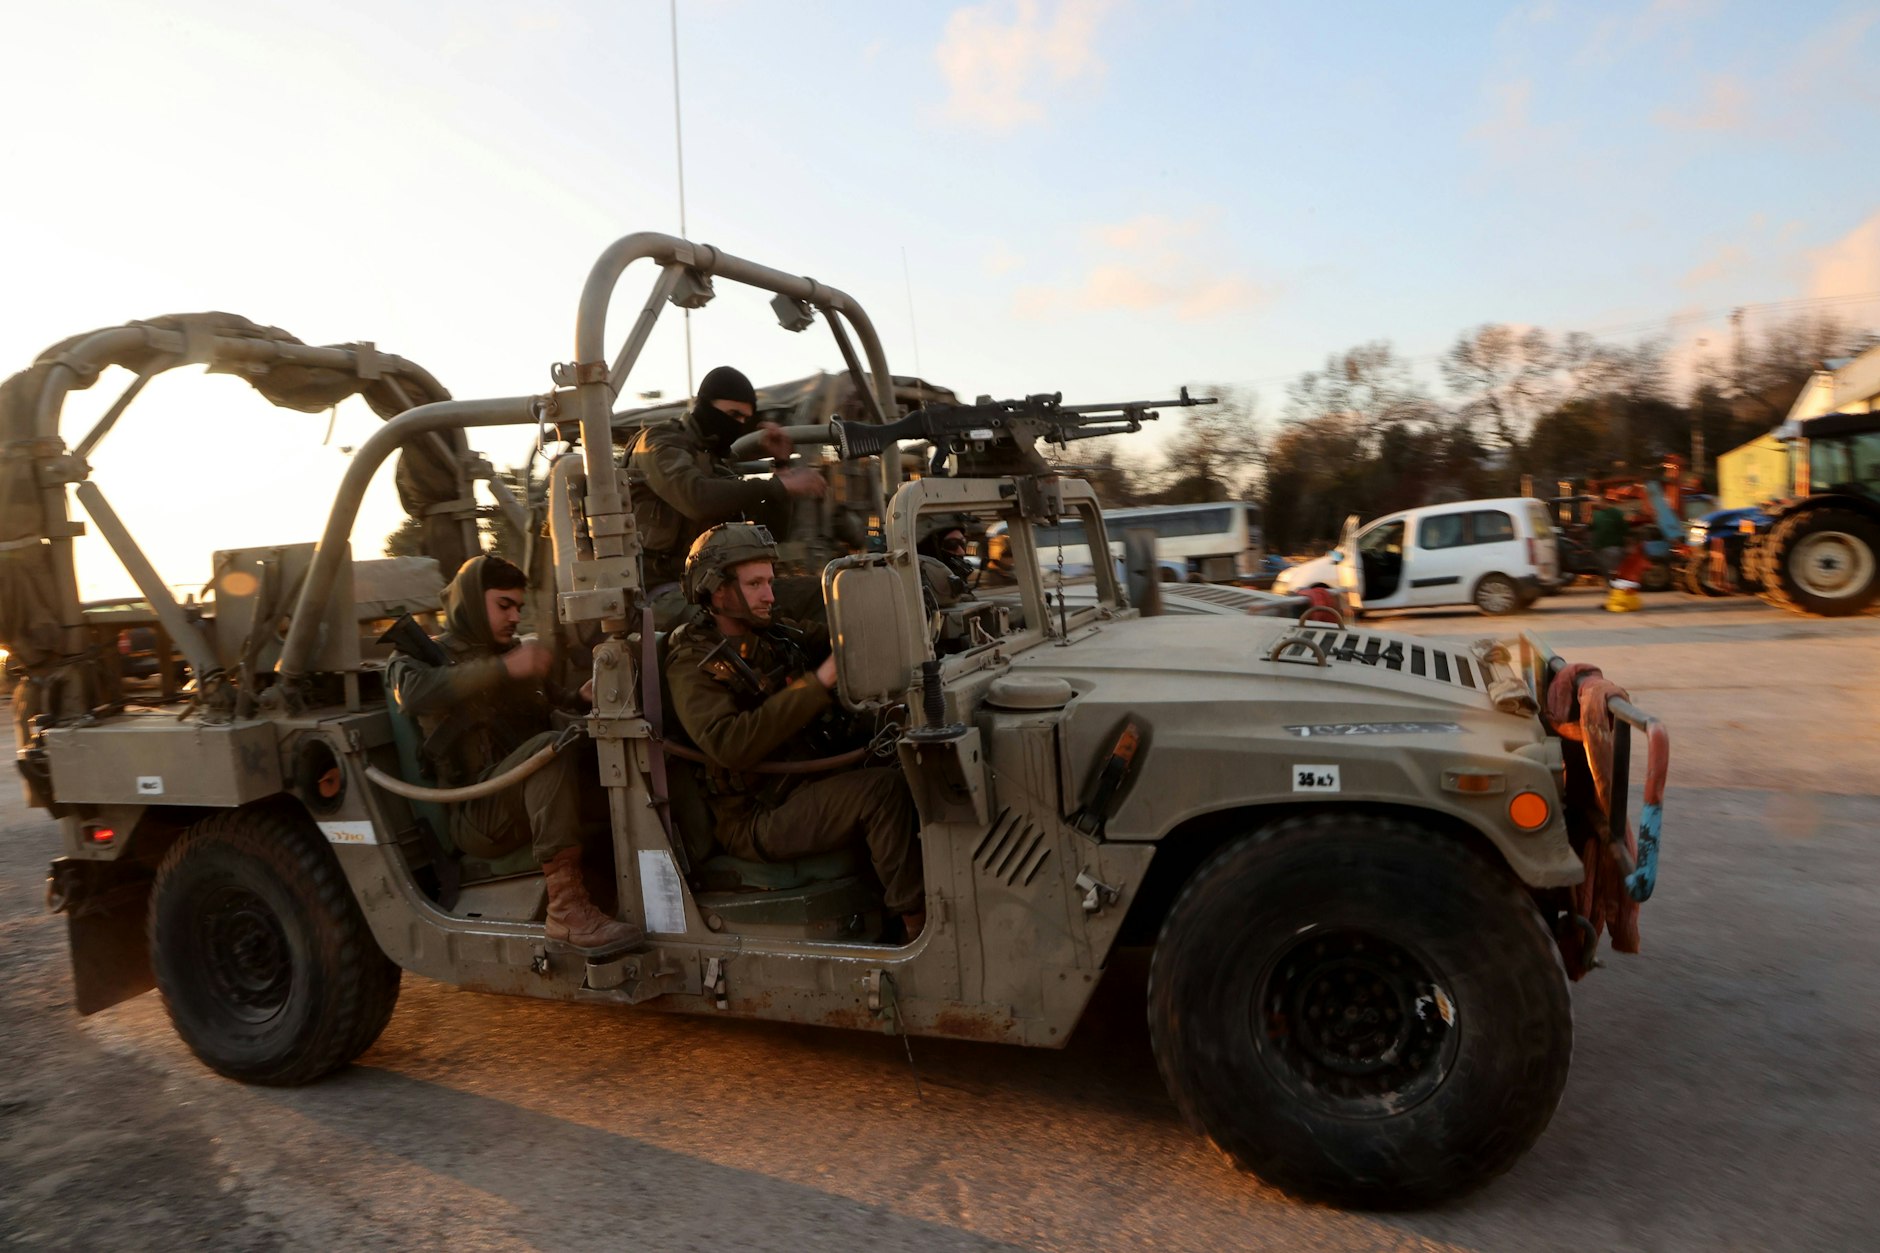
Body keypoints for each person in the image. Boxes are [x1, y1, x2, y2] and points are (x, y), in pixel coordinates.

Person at [666, 523, 926, 941]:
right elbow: (729, 743)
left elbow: (837, 641)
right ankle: (918, 930)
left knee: (909, 754)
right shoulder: (692, 662)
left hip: (803, 783)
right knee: (883, 792)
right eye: (754, 584)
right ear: (717, 591)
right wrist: (818, 683)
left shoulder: (771, 634)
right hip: (757, 816)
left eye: (769, 581)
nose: (769, 595)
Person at [388, 555, 640, 955]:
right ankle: (566, 909)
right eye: (503, 604)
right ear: (471, 600)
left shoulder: (513, 655)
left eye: (519, 607)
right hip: (478, 812)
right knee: (547, 751)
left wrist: (581, 697)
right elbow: (414, 694)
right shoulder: (419, 658)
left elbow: (552, 705)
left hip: (528, 796)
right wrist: (503, 668)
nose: (513, 616)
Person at [629, 365, 827, 630]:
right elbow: (697, 499)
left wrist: (781, 466)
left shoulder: (718, 461)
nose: (738, 425)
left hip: (715, 584)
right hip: (659, 591)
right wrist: (778, 485)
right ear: (704, 405)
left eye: (745, 420)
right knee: (742, 617)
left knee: (823, 595)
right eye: (733, 414)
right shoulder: (659, 442)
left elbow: (768, 535)